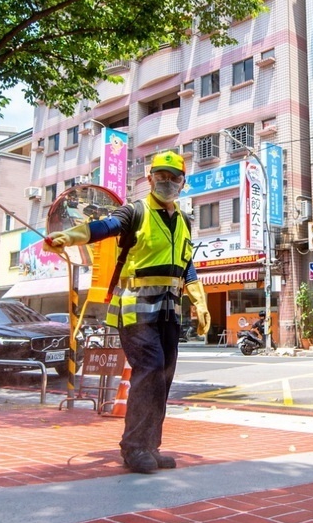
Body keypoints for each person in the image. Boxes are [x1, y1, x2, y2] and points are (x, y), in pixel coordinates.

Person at [47, 150, 210, 474]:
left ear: (182, 182)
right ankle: (134, 447)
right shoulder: (134, 212)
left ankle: (151, 446)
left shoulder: (184, 220)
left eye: (173, 177)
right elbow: (102, 226)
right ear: (150, 179)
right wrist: (68, 236)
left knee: (162, 378)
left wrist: (199, 299)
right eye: (160, 176)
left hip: (168, 310)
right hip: (135, 309)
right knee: (149, 370)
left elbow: (185, 262)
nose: (166, 182)